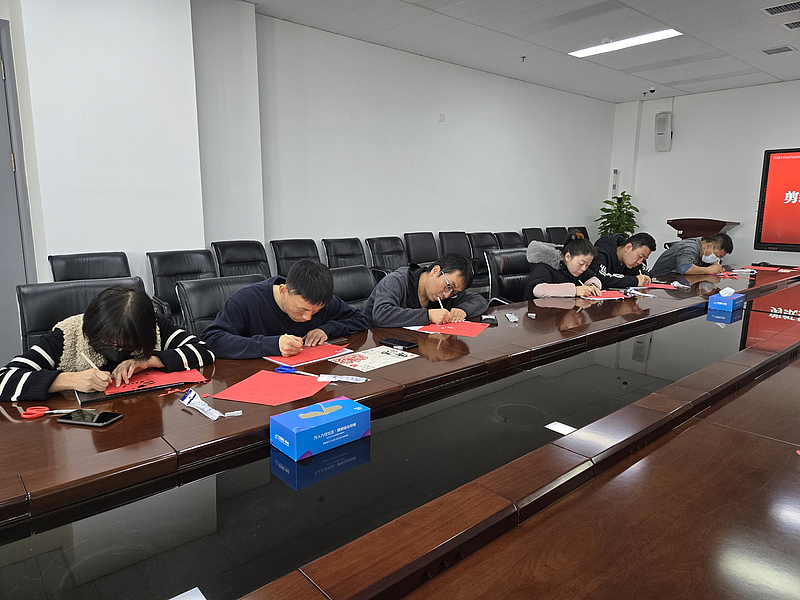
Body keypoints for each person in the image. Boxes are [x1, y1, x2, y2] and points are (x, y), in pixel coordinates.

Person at [0, 285, 215, 402]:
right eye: (109, 344)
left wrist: (149, 361)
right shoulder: (67, 336)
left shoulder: (152, 326)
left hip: (141, 412)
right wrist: (69, 379)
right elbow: (4, 379)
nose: (118, 351)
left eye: (127, 345)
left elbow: (203, 351)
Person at [202, 259, 368, 359]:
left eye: (316, 312)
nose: (308, 318)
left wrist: (326, 329)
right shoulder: (246, 300)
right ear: (283, 291)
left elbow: (360, 320)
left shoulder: (321, 299)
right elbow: (212, 340)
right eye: (302, 309)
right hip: (259, 381)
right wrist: (271, 344)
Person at [362, 253, 489, 328]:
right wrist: (428, 316)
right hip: (375, 344)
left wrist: (463, 310)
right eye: (448, 286)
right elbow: (381, 314)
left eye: (454, 292)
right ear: (435, 271)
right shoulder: (397, 280)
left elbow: (480, 300)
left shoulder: (448, 293)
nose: (447, 295)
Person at [524, 233, 602, 299]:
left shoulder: (577, 269)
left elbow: (592, 277)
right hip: (538, 310)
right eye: (581, 264)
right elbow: (538, 290)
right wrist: (574, 290)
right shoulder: (544, 266)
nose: (584, 268)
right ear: (568, 257)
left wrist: (592, 286)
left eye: (588, 265)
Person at [650, 233, 733, 278]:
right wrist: (708, 270)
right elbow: (685, 268)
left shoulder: (702, 248)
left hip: (677, 281)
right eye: (717, 256)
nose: (717, 259)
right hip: (659, 281)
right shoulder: (690, 247)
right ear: (709, 246)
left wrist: (715, 265)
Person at [591, 232, 656, 288]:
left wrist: (645, 278)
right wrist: (635, 281)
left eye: (644, 259)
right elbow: (599, 279)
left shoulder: (635, 260)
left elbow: (645, 271)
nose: (640, 262)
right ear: (628, 247)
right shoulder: (600, 254)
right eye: (640, 257)